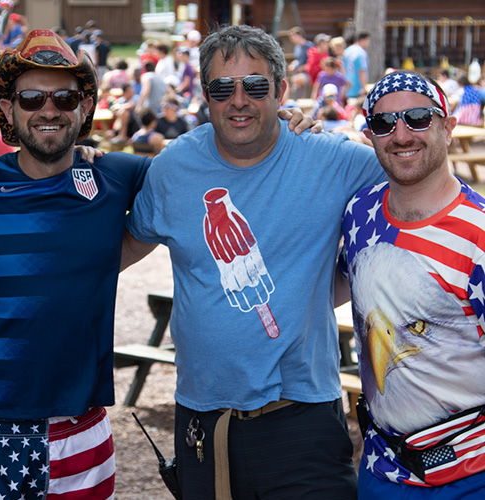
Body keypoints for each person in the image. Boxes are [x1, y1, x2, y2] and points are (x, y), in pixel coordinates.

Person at [0, 29, 317, 499]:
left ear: (85, 105)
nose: (47, 110)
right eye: (31, 98)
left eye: (64, 97)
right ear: (8, 107)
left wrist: (281, 127)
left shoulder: (119, 174)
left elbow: (209, 162)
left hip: (81, 429)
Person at [122, 24, 385, 499]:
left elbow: (412, 177)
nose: (238, 100)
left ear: (282, 90)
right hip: (205, 422)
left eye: (256, 85)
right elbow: (118, 249)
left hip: (303, 418)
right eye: (223, 87)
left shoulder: (332, 159)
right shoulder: (172, 169)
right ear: (204, 94)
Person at [339, 69, 485, 499]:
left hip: (473, 476)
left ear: (448, 126)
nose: (401, 134)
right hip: (382, 469)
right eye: (384, 123)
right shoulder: (357, 213)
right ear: (370, 135)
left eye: (419, 118)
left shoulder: (479, 234)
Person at [343, 31, 370, 100]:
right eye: (367, 40)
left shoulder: (347, 51)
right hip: (358, 88)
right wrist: (364, 87)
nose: (368, 43)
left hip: (347, 87)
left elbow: (343, 69)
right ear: (363, 40)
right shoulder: (361, 53)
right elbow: (362, 70)